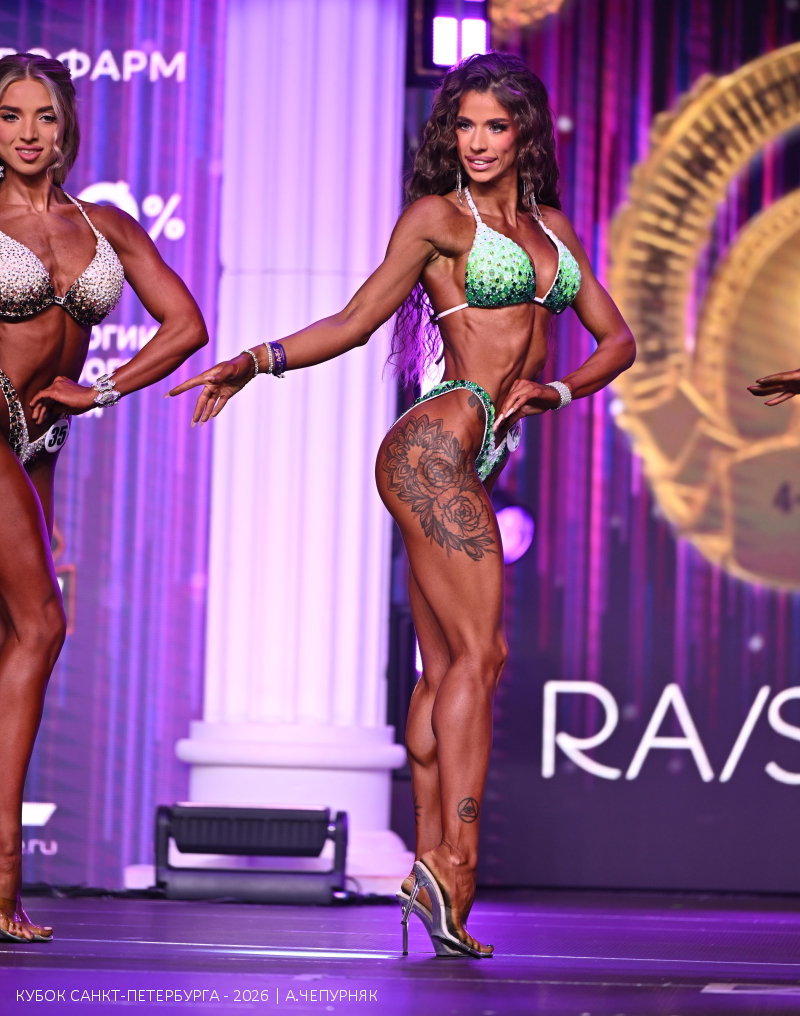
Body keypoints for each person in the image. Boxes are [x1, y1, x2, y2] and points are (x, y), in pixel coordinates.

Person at [169, 52, 635, 957]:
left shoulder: (554, 229)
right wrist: (255, 360)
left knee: (443, 669)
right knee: (481, 655)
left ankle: (428, 863)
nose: (478, 142)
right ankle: (456, 865)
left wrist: (561, 390)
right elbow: (355, 320)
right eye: (463, 125)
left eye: (495, 125)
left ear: (525, 134)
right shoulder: (438, 219)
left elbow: (616, 341)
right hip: (431, 450)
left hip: (474, 458)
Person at [0, 53, 208, 942]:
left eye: (43, 116)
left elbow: (188, 324)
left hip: (40, 440)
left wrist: (103, 389)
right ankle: (2, 880)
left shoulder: (106, 225)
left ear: (67, 128)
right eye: (9, 115)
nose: (27, 133)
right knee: (41, 625)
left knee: (17, 637)